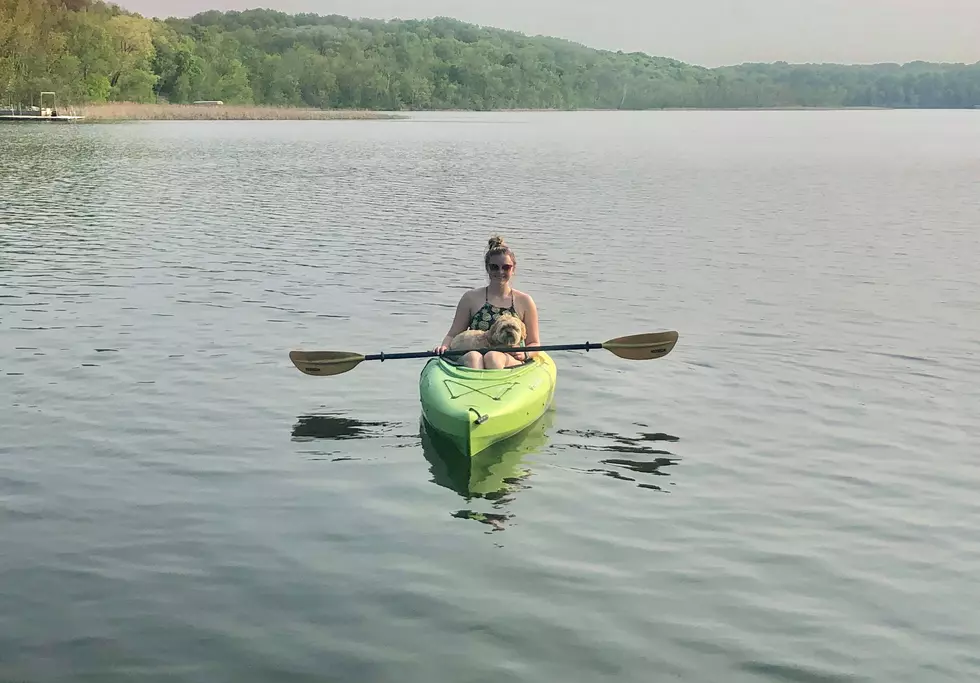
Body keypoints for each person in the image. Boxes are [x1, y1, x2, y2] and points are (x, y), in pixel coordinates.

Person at [434, 235, 541, 369]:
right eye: (494, 267)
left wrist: (525, 354)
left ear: (513, 269)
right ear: (487, 268)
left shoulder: (525, 301)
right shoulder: (470, 298)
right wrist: (444, 347)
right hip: (473, 355)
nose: (500, 271)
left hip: (508, 358)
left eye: (506, 267)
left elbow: (534, 342)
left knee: (493, 357)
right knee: (474, 357)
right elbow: (453, 334)